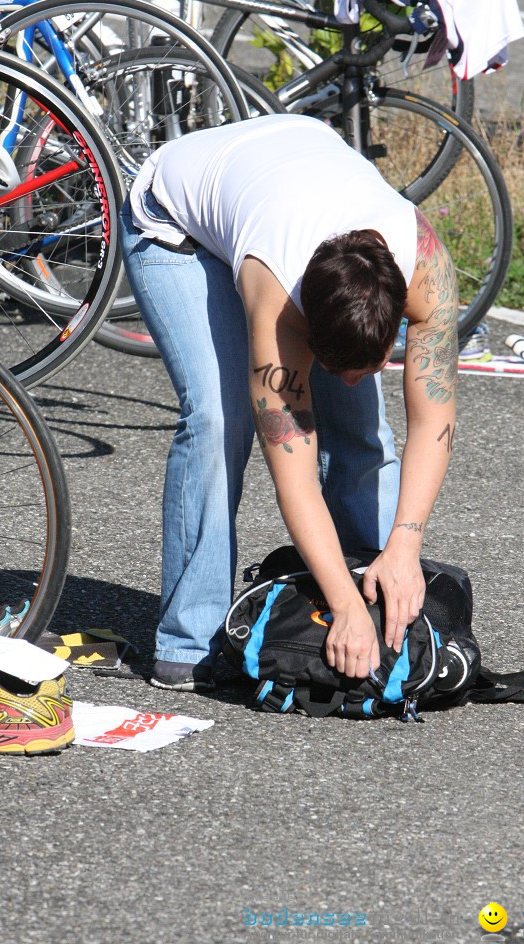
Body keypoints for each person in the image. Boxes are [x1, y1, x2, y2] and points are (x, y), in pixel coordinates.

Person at [120, 113, 458, 691]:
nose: (350, 381)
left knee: (360, 428)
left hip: (291, 165)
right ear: (306, 336)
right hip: (174, 219)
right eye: (335, 370)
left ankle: (381, 599)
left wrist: (405, 547)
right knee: (218, 420)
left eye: (371, 365)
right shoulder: (277, 308)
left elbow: (433, 423)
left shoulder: (428, 271)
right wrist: (339, 604)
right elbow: (294, 479)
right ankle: (187, 640)